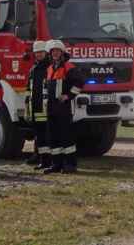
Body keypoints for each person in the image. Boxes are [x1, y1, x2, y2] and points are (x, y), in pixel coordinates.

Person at [44, 39, 84, 174]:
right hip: (51, 107)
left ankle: (70, 164)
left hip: (64, 107)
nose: (55, 53)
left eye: (57, 51)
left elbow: (79, 83)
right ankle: (56, 164)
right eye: (53, 51)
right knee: (53, 137)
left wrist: (68, 96)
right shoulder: (50, 68)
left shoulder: (69, 67)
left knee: (66, 136)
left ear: (62, 53)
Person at [25, 40, 52, 170]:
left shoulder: (50, 68)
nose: (39, 55)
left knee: (47, 135)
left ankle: (50, 161)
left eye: (41, 52)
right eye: (36, 53)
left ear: (46, 53)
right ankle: (43, 161)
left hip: (46, 107)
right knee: (40, 136)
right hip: (36, 107)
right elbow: (28, 89)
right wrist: (27, 107)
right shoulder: (33, 69)